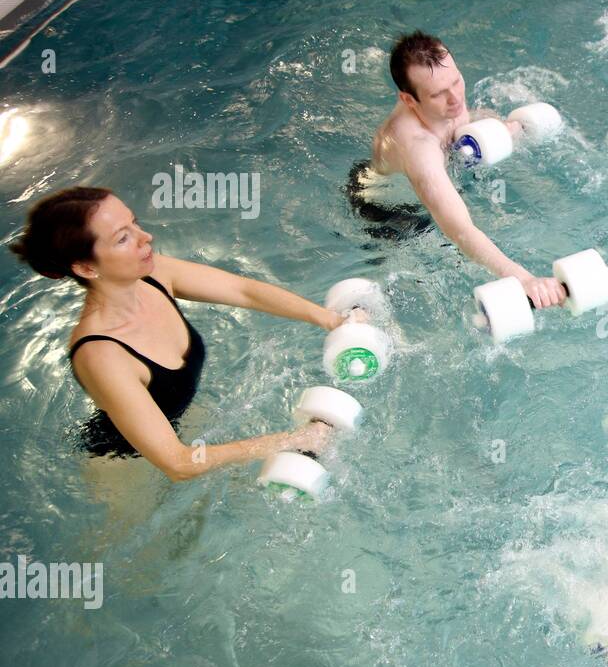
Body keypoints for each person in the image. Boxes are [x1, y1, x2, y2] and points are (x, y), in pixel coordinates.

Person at [9, 186, 354, 479]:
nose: (146, 238)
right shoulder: (101, 354)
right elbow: (176, 463)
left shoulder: (154, 274)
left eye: (135, 223)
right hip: (127, 464)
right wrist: (291, 440)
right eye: (123, 238)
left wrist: (331, 320)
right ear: (85, 267)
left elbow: (243, 291)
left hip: (182, 423)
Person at [360, 32, 566, 308]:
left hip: (437, 177)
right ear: (409, 100)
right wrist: (525, 280)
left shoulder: (444, 94)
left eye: (456, 81)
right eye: (438, 94)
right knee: (438, 276)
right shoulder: (418, 149)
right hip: (394, 215)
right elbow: (461, 232)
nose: (456, 99)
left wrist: (507, 129)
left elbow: (461, 127)